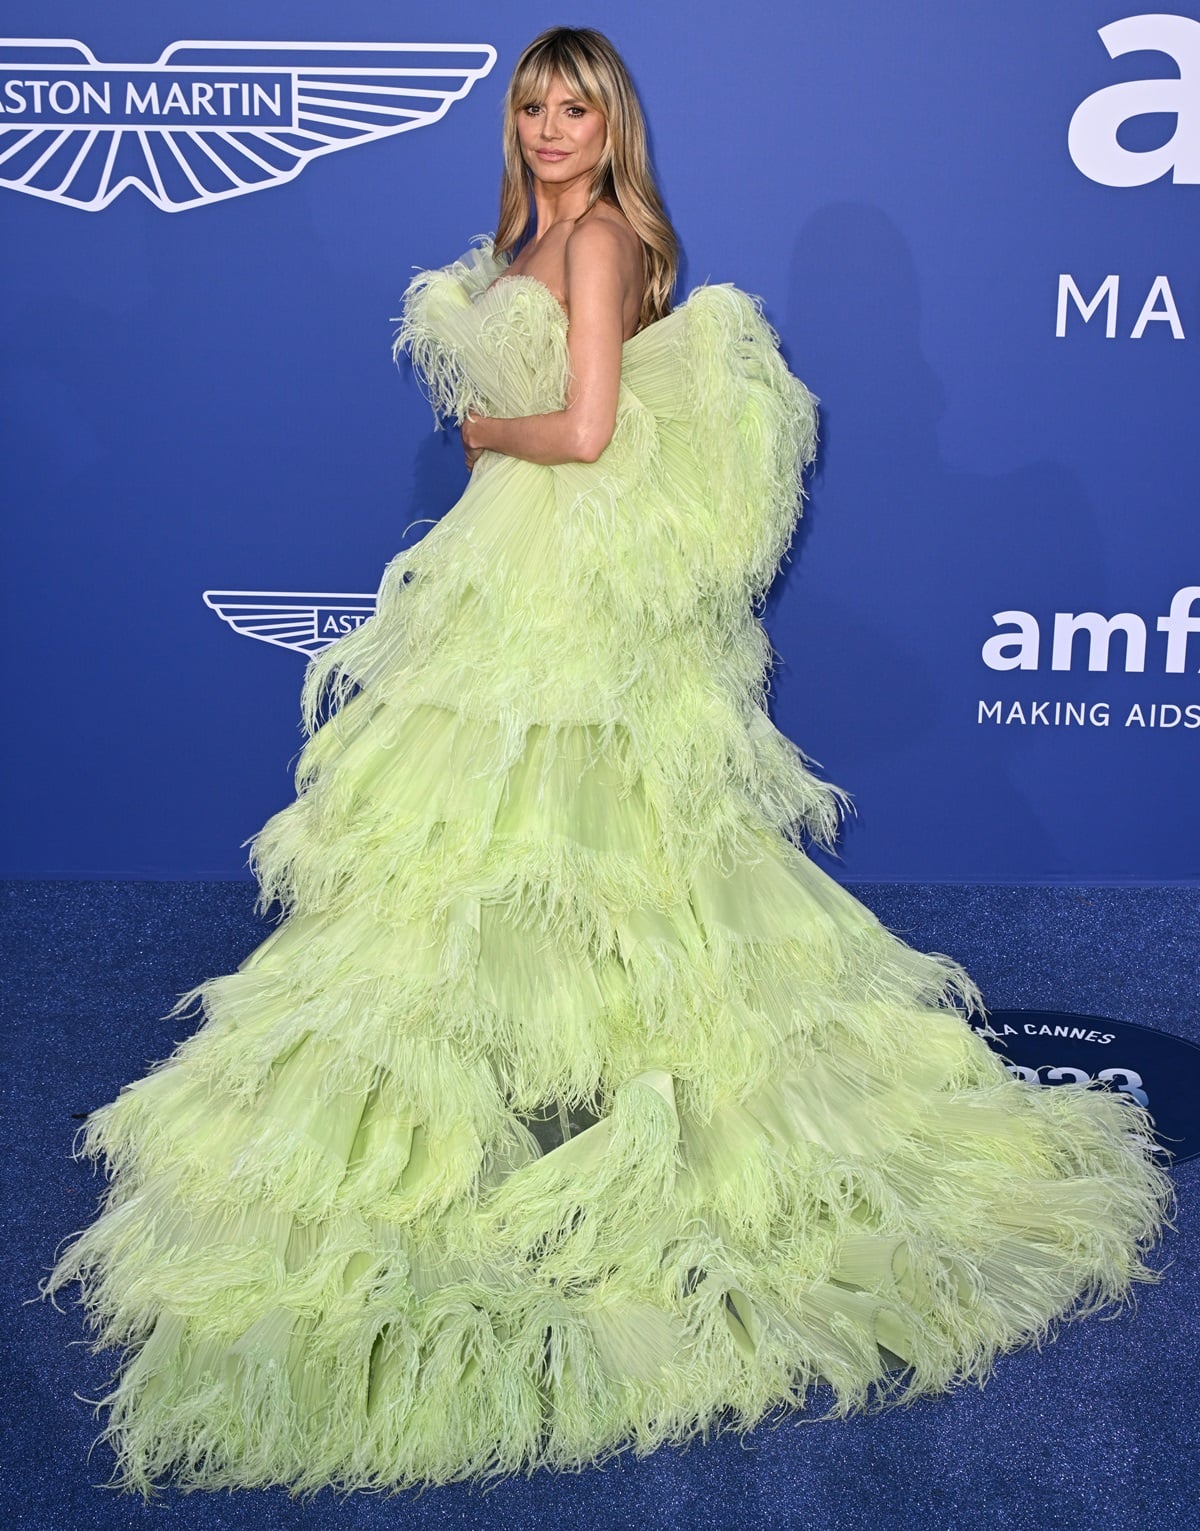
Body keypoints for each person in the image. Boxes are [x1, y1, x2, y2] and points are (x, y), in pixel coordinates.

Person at [43, 25, 1172, 1496]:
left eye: (577, 105)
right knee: (513, 841)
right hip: (520, 569)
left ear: (612, 124)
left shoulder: (601, 244)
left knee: (576, 835)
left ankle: (600, 1088)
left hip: (563, 567)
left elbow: (579, 429)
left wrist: (481, 426)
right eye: (533, 103)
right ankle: (534, 1063)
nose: (552, 123)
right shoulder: (538, 238)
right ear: (512, 123)